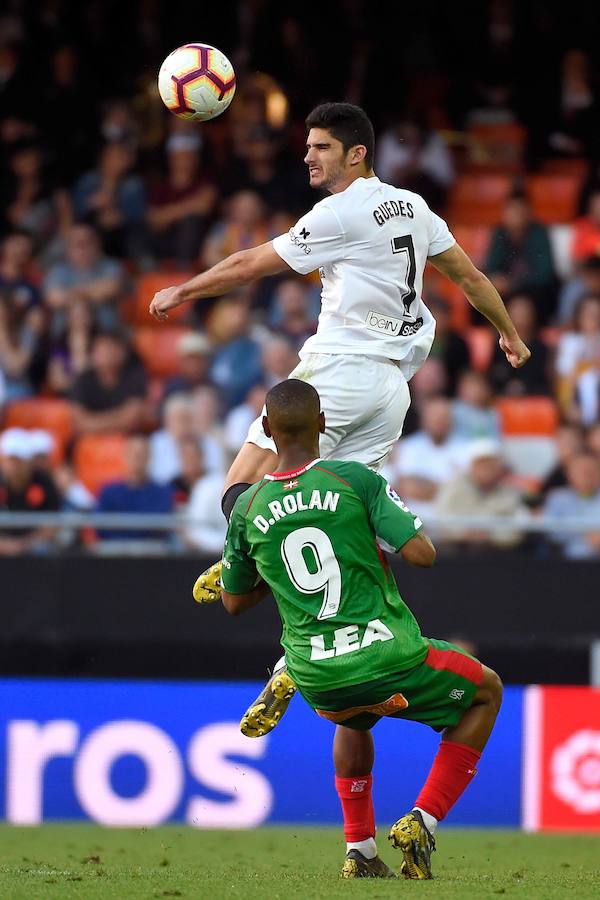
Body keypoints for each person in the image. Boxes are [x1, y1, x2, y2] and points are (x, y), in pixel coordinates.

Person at [150, 101, 528, 721]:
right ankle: (290, 662)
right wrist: (508, 334)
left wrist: (183, 291)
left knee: (243, 484)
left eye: (320, 147)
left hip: (340, 372)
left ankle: (237, 553)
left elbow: (250, 264)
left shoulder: (340, 213)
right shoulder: (413, 207)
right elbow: (471, 277)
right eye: (307, 146)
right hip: (392, 391)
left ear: (357, 154)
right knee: (341, 522)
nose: (307, 155)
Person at [212, 380, 503, 879]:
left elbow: (234, 602)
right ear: (323, 423)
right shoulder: (354, 478)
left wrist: (268, 565)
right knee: (486, 691)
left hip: (319, 679)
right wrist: (366, 531)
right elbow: (423, 555)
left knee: (354, 718)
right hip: (386, 655)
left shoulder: (247, 507)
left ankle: (361, 852)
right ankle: (423, 820)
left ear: (268, 433)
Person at [435, 440, 526, 550]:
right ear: (471, 466)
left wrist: (490, 535)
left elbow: (518, 530)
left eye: (491, 464)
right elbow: (442, 522)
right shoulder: (453, 488)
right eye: (480, 463)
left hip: (498, 554)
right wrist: (464, 534)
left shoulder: (510, 492)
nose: (486, 469)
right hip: (456, 553)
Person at [70, 329, 147, 435]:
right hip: (90, 441)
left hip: (126, 440)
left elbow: (133, 418)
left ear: (122, 352)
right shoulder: (83, 380)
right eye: (101, 349)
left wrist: (93, 422)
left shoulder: (134, 376)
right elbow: (80, 423)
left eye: (110, 348)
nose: (106, 354)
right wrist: (120, 418)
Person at [543, 452, 600, 559]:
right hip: (565, 563)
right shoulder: (557, 498)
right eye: (581, 470)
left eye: (591, 470)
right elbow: (550, 532)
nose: (587, 474)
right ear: (569, 473)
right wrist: (584, 537)